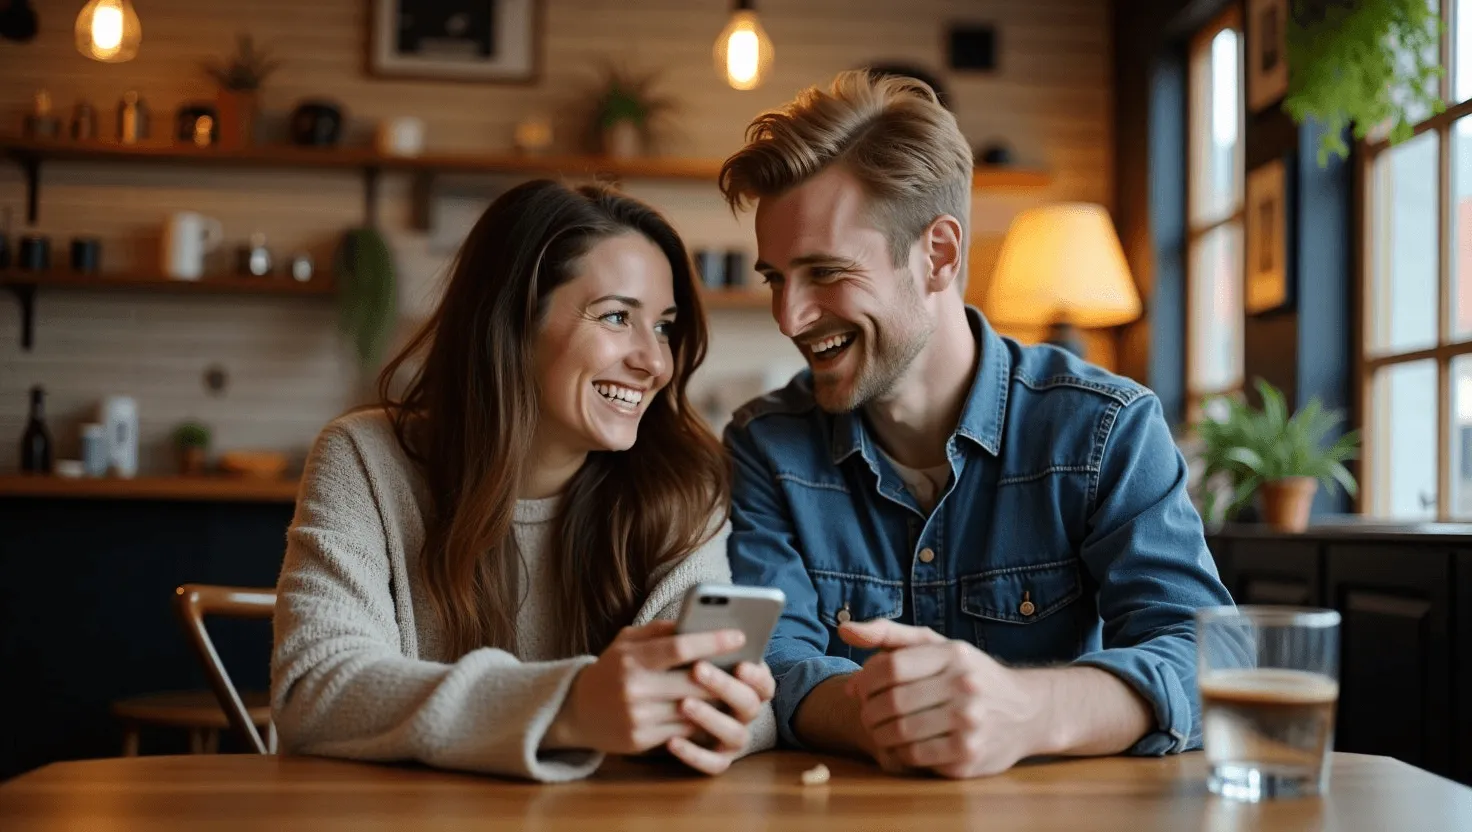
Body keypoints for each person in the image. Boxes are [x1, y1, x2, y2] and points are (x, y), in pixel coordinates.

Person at [718, 70, 1235, 779]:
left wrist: (1024, 709)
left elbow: (1210, 654)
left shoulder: (1105, 428)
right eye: (776, 277)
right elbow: (772, 664)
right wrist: (895, 714)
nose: (788, 317)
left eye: (825, 272)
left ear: (938, 254)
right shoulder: (764, 445)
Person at [272, 180, 776, 781]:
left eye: (664, 327)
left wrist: (729, 714)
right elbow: (315, 691)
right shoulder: (365, 460)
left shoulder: (681, 489)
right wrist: (571, 705)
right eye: (617, 316)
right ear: (511, 321)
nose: (655, 362)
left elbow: (696, 700)